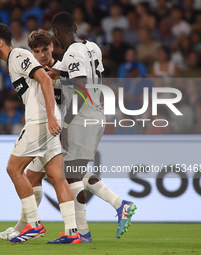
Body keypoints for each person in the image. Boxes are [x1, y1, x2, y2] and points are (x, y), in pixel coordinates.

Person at [0, 23, 80, 244]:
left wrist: (51, 117)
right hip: (48, 120)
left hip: (41, 121)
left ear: (0, 42)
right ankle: (72, 231)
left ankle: (34, 225)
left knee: (13, 168)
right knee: (56, 176)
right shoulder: (13, 61)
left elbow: (45, 79)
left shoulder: (17, 55)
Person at [46, 12, 136, 239]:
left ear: (56, 32)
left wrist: (65, 124)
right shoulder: (93, 47)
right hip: (96, 115)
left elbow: (82, 89)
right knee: (77, 172)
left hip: (81, 118)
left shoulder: (71, 52)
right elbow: (91, 79)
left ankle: (94, 222)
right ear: (75, 27)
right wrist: (62, 73)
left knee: (72, 174)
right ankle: (90, 227)